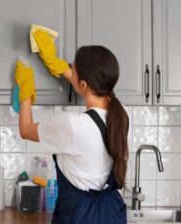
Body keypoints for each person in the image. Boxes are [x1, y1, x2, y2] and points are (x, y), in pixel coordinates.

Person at [14, 30, 128, 224]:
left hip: (78, 216)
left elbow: (26, 130)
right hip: (112, 213)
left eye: (72, 69)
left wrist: (25, 90)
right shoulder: (120, 114)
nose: (70, 70)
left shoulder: (71, 124)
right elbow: (95, 90)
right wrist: (55, 63)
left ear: (83, 84)